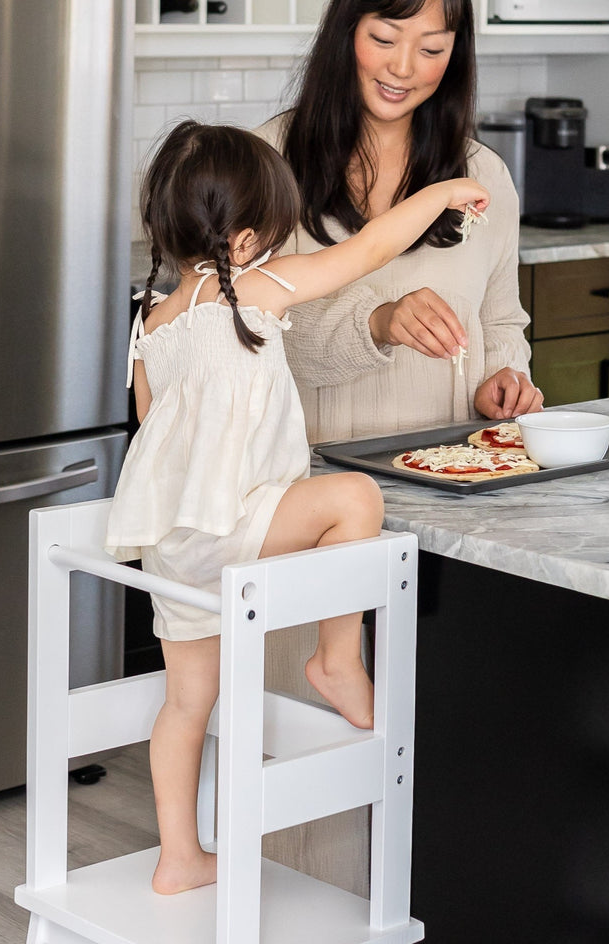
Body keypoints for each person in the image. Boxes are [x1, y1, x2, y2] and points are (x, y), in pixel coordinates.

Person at [104, 119, 489, 896]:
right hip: (235, 528)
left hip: (176, 551)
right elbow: (367, 252)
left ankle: (178, 856)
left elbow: (151, 424)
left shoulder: (151, 322)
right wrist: (443, 191)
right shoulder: (251, 290)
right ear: (245, 243)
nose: (283, 253)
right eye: (276, 238)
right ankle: (336, 657)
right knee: (353, 496)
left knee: (185, 706)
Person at [256, 0, 544, 444]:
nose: (404, 68)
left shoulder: (484, 175)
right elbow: (248, 335)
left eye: (431, 48)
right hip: (313, 486)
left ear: (454, 55)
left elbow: (500, 323)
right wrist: (379, 322)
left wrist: (503, 380)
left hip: (451, 471)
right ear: (346, 34)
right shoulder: (268, 161)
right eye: (385, 39)